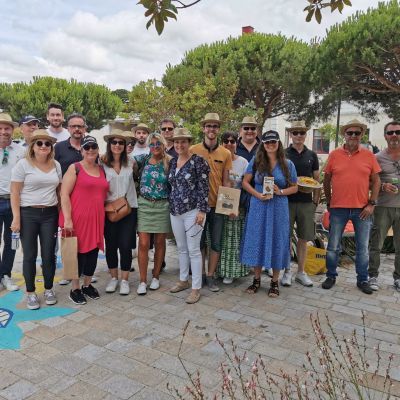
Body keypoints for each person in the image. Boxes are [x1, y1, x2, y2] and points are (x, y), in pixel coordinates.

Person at [322, 119, 381, 294]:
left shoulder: (369, 155)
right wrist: (330, 201)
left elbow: (377, 181)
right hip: (338, 209)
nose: (353, 136)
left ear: (362, 135)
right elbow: (326, 179)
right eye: (350, 133)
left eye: (357, 133)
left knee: (362, 248)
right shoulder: (334, 155)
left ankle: (362, 280)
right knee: (333, 246)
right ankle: (331, 275)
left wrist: (371, 204)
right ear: (344, 135)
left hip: (362, 209)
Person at [241, 130, 298, 297]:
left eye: (273, 142)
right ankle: (256, 279)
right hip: (259, 205)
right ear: (263, 145)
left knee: (277, 241)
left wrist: (279, 191)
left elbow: (295, 187)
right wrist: (257, 194)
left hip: (278, 207)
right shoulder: (256, 161)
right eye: (267, 142)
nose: (270, 145)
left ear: (278, 143)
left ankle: (274, 281)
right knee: (257, 240)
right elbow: (245, 182)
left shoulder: (288, 164)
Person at [10, 130, 60, 309]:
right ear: (33, 146)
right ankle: (30, 292)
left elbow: (59, 192)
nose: (44, 146)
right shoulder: (23, 165)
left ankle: (48, 289)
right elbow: (14, 193)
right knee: (30, 255)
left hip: (50, 214)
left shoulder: (56, 165)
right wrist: (16, 218)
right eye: (40, 143)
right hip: (28, 214)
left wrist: (62, 215)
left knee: (49, 255)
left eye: (48, 143)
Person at [60, 136, 109, 304]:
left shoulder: (102, 169)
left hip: (96, 219)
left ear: (97, 149)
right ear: (81, 150)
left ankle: (87, 285)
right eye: (86, 147)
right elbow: (64, 194)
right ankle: (75, 288)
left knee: (93, 253)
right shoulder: (75, 168)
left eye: (93, 146)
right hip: (77, 219)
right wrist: (67, 219)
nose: (90, 150)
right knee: (76, 253)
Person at [190, 113, 232, 292]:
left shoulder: (226, 153)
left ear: (218, 129)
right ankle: (198, 276)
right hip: (197, 207)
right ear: (203, 128)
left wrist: (228, 206)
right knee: (198, 244)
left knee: (216, 243)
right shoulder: (192, 150)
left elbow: (227, 182)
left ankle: (211, 276)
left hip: (217, 205)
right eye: (208, 126)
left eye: (215, 126)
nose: (211, 129)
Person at [168, 128, 209, 304]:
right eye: (177, 141)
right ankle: (183, 280)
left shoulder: (198, 162)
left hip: (193, 212)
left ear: (189, 142)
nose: (179, 144)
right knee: (182, 248)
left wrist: (202, 211)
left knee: (194, 250)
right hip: (175, 212)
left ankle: (196, 288)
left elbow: (204, 187)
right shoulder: (173, 162)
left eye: (183, 141)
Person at [101, 130, 138, 295]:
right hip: (109, 210)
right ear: (109, 145)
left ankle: (124, 280)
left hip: (128, 209)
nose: (117, 145)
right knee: (111, 245)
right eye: (114, 142)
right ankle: (113, 277)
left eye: (121, 143)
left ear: (125, 146)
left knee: (125, 245)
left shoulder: (131, 162)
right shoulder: (102, 163)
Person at [283, 121, 319, 287]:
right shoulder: (283, 153)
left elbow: (316, 180)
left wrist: (315, 202)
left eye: (301, 133)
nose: (298, 135)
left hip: (306, 203)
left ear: (305, 135)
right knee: (286, 238)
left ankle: (301, 272)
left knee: (304, 238)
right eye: (295, 132)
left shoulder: (312, 155)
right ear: (291, 134)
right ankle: (286, 271)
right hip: (287, 202)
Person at [135, 132, 171, 295]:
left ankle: (155, 276)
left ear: (164, 145)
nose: (155, 147)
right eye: (152, 144)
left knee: (160, 242)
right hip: (144, 204)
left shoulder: (170, 161)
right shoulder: (143, 159)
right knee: (143, 243)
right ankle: (142, 280)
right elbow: (125, 161)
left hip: (163, 205)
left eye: (158, 144)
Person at [368, 121, 400, 292]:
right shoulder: (377, 157)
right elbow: (369, 183)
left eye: (397, 132)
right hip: (383, 207)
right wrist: (382, 187)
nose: (394, 135)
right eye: (390, 133)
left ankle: (398, 278)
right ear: (385, 135)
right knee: (376, 244)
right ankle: (372, 275)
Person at [218, 132, 248, 284]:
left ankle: (230, 271)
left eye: (232, 141)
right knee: (218, 240)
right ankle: (218, 270)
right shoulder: (218, 158)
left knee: (232, 242)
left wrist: (235, 206)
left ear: (237, 143)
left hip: (237, 207)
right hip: (217, 205)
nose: (229, 143)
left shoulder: (243, 162)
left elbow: (247, 184)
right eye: (226, 141)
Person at [0, 113, 25, 292]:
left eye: (7, 128)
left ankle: (6, 275)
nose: (3, 131)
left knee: (11, 242)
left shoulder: (20, 151)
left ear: (12, 130)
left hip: (14, 203)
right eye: (0, 128)